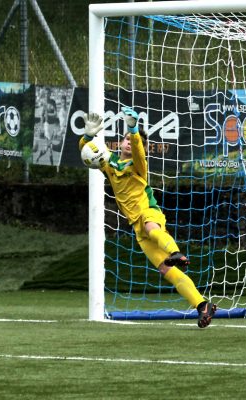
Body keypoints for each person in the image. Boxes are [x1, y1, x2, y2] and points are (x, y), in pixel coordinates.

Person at [80, 107, 217, 328]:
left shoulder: (138, 166)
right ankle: (202, 305)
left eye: (130, 141)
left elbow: (138, 150)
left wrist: (133, 130)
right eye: (124, 139)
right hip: (136, 227)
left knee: (152, 228)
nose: (127, 142)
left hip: (149, 212)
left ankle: (176, 252)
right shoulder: (110, 164)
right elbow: (90, 154)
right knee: (166, 270)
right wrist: (87, 136)